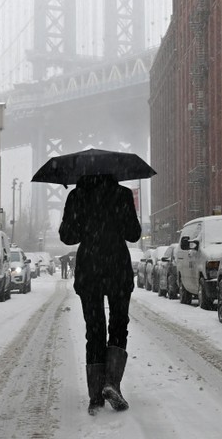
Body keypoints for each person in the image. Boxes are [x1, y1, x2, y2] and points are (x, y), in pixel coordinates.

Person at [59, 173, 141, 415]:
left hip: (90, 269)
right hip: (117, 267)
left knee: (94, 330)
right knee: (118, 326)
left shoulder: (77, 195)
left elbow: (67, 236)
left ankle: (95, 395)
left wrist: (83, 222)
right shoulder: (123, 194)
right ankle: (112, 383)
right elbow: (133, 234)